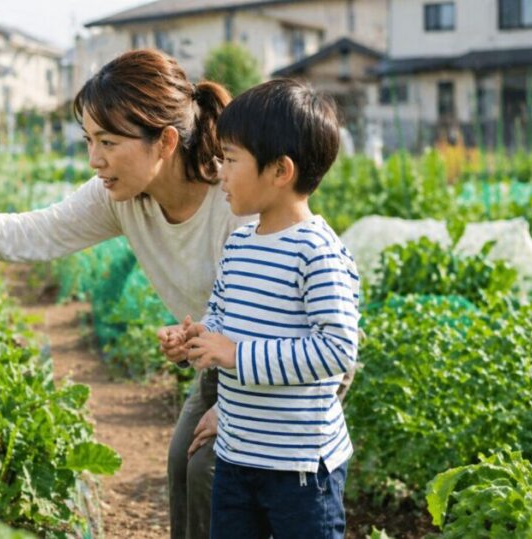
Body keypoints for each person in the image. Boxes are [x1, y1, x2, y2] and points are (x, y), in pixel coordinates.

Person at [0, 49, 246, 539]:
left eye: (108, 141)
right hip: (222, 366)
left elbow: (283, 317)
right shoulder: (119, 198)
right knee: (183, 464)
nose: (95, 160)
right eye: (89, 140)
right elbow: (34, 231)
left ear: (165, 141)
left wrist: (241, 407)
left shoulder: (236, 198)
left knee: (209, 472)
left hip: (276, 364)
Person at [162, 80, 358, 538]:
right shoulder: (240, 244)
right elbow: (222, 319)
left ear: (280, 171)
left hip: (301, 469)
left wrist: (235, 355)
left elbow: (336, 350)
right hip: (236, 456)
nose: (220, 172)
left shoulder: (317, 251)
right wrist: (193, 337)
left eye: (230, 159)